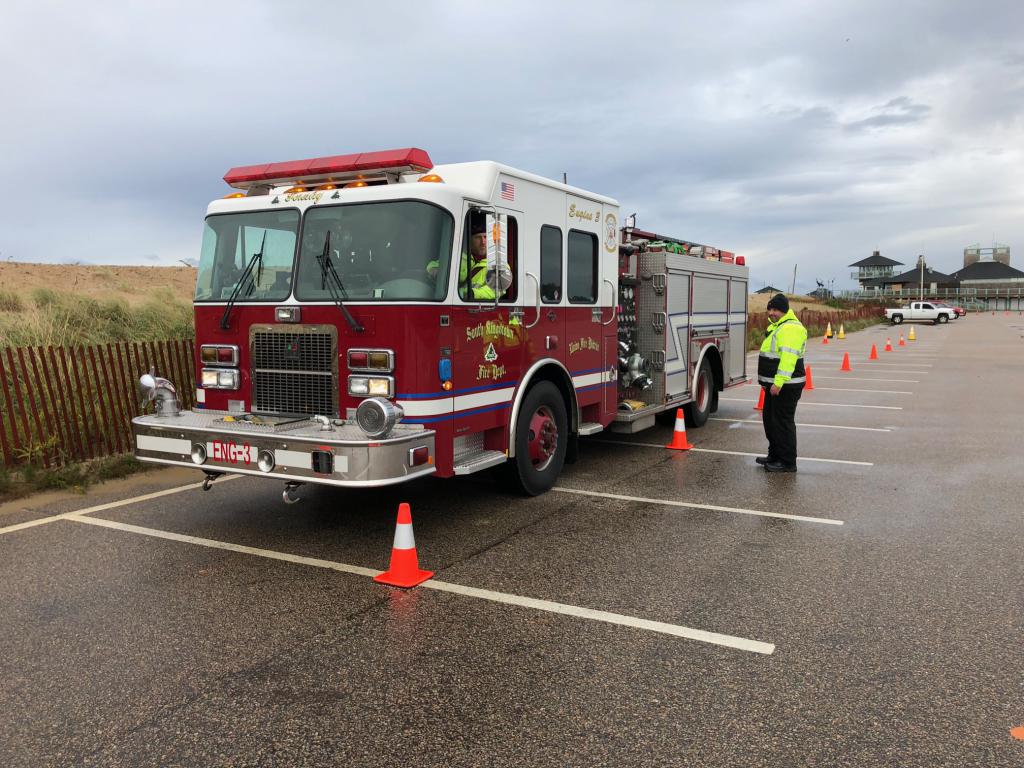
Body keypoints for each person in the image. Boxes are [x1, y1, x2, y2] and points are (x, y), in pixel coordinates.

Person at [756, 293, 807, 472]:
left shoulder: (791, 328)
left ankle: (787, 462)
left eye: (775, 309)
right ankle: (775, 455)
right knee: (770, 421)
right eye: (769, 309)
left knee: (782, 423)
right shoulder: (778, 327)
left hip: (786, 385)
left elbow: (787, 359)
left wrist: (778, 383)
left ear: (784, 310)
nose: (771, 313)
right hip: (774, 385)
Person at [426, 213, 496, 299]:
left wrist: (473, 294)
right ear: (470, 240)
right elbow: (433, 265)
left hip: (474, 306)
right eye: (478, 237)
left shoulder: (497, 264)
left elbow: (495, 290)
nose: (483, 242)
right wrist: (435, 270)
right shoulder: (461, 256)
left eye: (485, 237)